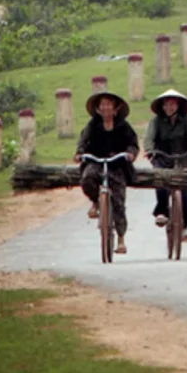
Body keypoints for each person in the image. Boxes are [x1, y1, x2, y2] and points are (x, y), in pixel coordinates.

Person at [75, 92, 139, 255]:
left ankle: (121, 239)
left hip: (116, 165)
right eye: (102, 104)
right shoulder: (92, 125)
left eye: (109, 104)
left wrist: (131, 153)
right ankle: (96, 202)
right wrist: (80, 153)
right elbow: (83, 141)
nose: (106, 108)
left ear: (115, 108)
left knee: (118, 200)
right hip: (96, 162)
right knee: (87, 178)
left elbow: (133, 143)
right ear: (98, 108)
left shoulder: (123, 126)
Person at [143, 89, 187, 244]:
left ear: (178, 105)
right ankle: (162, 211)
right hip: (162, 157)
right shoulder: (156, 121)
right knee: (161, 180)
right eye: (166, 104)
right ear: (163, 106)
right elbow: (149, 138)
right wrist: (149, 150)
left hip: (182, 158)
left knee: (185, 191)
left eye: (172, 104)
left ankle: (184, 227)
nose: (169, 107)